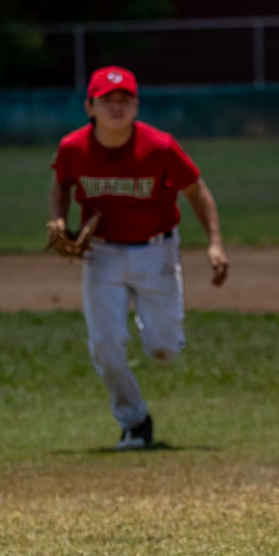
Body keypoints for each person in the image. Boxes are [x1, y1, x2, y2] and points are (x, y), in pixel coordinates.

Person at [47, 66, 228, 449]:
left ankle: (154, 329)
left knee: (165, 349)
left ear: (136, 106)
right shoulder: (73, 148)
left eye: (124, 100)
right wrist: (59, 219)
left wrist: (214, 241)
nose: (116, 107)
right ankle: (134, 422)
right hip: (102, 254)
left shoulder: (159, 146)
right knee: (104, 343)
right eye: (106, 101)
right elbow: (61, 184)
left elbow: (196, 190)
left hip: (157, 251)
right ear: (89, 107)